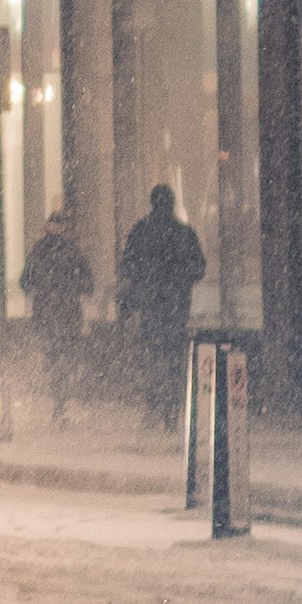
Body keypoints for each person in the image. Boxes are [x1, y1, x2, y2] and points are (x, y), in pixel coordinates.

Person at [115, 177, 206, 430]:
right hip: (176, 308)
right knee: (174, 358)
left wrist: (138, 294)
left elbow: (127, 267)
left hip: (150, 308)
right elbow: (198, 269)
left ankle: (153, 406)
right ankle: (171, 411)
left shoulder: (140, 231)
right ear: (172, 203)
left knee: (153, 357)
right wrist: (178, 279)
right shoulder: (184, 233)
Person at [17, 199, 91, 432]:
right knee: (64, 358)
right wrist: (70, 288)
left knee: (54, 357)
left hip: (46, 314)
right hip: (67, 314)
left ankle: (58, 400)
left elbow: (25, 282)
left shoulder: (39, 251)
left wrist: (43, 288)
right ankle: (60, 401)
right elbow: (88, 284)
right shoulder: (72, 251)